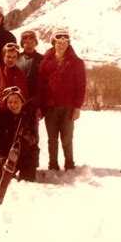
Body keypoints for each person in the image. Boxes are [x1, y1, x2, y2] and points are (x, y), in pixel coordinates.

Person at [37, 28, 86, 171]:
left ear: (68, 43)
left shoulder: (76, 62)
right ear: (53, 42)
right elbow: (40, 86)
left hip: (68, 107)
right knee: (52, 139)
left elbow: (81, 86)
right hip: (50, 107)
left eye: (65, 41)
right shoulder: (45, 62)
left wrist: (77, 107)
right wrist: (39, 107)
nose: (62, 44)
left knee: (67, 138)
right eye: (59, 41)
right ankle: (53, 164)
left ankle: (69, 163)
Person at [0, 42, 29, 178]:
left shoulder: (20, 74)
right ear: (3, 56)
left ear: (17, 58)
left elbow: (24, 94)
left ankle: (9, 164)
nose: (10, 59)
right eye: (8, 56)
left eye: (14, 57)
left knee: (11, 138)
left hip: (14, 111)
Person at [0, 86, 39, 181]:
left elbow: (35, 137)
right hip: (10, 156)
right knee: (2, 178)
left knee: (27, 180)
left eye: (16, 102)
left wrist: (26, 139)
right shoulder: (4, 118)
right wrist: (2, 159)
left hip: (27, 154)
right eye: (10, 102)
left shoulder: (30, 116)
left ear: (22, 101)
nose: (13, 105)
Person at [17, 30, 44, 101]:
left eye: (32, 42)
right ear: (22, 44)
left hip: (36, 96)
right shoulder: (17, 58)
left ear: (36, 43)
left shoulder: (42, 59)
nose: (30, 45)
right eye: (26, 43)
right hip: (19, 95)